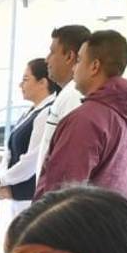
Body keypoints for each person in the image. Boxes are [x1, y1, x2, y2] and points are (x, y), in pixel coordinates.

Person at [36, 30, 127, 204]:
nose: (74, 67)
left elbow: (60, 198)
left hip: (82, 228)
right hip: (119, 226)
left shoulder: (86, 120)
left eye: (79, 60)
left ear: (94, 66)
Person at [0, 58, 60, 216]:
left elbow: (32, 160)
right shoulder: (30, 111)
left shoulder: (46, 113)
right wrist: (1, 177)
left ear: (43, 82)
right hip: (16, 197)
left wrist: (2, 180)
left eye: (25, 79)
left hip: (28, 198)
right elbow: (9, 152)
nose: (20, 85)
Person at [39, 25, 90, 174]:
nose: (46, 59)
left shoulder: (74, 96)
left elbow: (68, 162)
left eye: (52, 52)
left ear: (69, 56)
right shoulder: (67, 93)